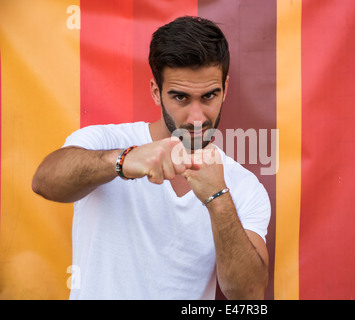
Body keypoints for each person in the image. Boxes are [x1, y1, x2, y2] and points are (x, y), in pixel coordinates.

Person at [32, 16, 271, 300]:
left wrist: (218, 199)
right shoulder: (106, 142)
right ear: (156, 93)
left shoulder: (243, 186)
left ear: (225, 89)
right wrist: (121, 161)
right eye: (181, 97)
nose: (197, 117)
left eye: (209, 96)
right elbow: (44, 182)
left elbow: (249, 295)